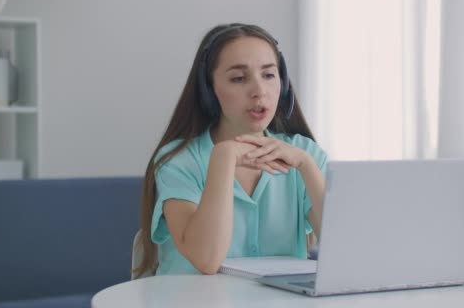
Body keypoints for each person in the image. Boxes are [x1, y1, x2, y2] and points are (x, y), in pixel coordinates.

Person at [135, 23, 327, 276]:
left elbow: (347, 251)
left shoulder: (304, 153)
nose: (259, 91)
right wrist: (224, 157)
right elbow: (207, 259)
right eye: (238, 78)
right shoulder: (179, 160)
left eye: (269, 75)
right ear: (209, 90)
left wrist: (306, 165)